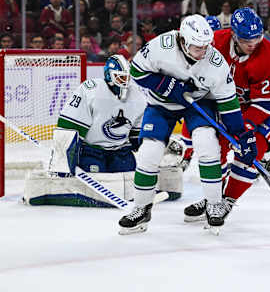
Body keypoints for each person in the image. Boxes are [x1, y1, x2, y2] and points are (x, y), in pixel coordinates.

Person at [118, 14, 257, 235]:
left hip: (198, 104)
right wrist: (166, 84)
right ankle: (141, 208)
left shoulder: (215, 62)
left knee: (207, 144)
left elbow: (228, 102)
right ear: (183, 41)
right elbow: (136, 71)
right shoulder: (161, 46)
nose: (203, 52)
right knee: (148, 153)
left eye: (206, 46)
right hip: (161, 104)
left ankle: (213, 204)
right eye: (197, 47)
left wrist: (240, 134)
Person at [182, 8, 270, 223]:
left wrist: (247, 130)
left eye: (257, 38)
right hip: (239, 105)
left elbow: (264, 104)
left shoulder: (267, 55)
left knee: (252, 151)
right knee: (218, 147)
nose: (252, 44)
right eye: (246, 40)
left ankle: (227, 201)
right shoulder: (217, 42)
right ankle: (213, 198)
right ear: (234, 34)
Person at [25, 55, 148, 207]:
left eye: (127, 78)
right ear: (109, 75)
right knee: (96, 180)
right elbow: (69, 127)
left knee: (129, 180)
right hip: (92, 151)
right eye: (121, 78)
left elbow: (137, 135)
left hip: (120, 152)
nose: (125, 83)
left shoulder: (138, 97)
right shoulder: (91, 90)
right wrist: (63, 163)